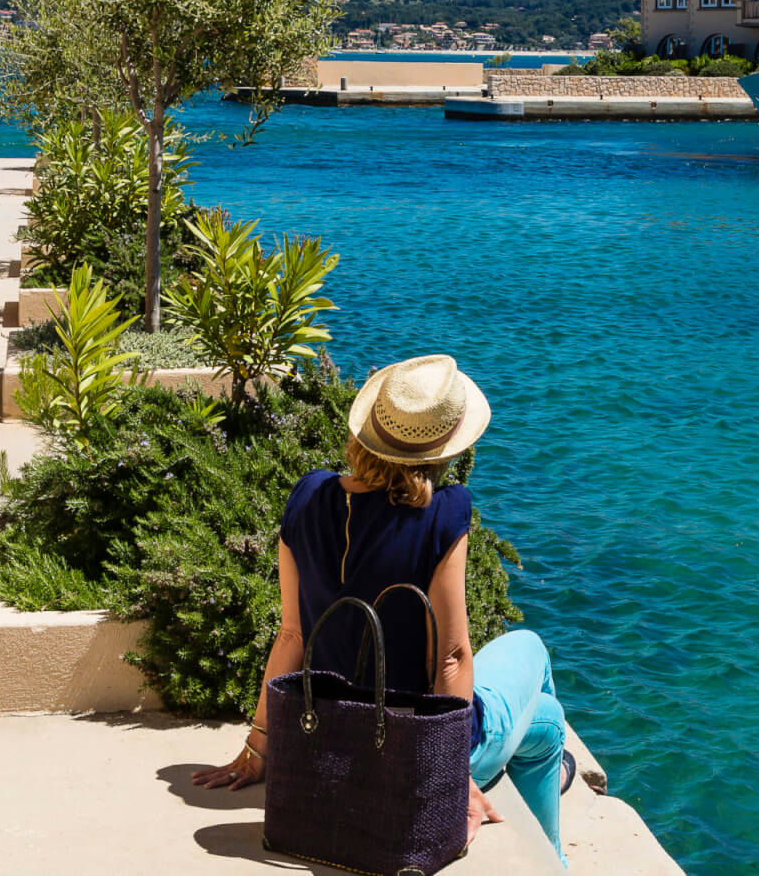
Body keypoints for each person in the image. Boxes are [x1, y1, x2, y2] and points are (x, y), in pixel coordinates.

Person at [193, 355, 575, 860]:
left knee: (543, 723)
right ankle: (555, 855)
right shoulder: (444, 511)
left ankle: (549, 771)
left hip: (327, 741)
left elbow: (292, 635)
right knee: (534, 665)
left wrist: (258, 749)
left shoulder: (307, 497)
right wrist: (449, 784)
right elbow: (452, 658)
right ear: (443, 447)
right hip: (410, 748)